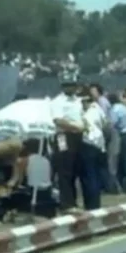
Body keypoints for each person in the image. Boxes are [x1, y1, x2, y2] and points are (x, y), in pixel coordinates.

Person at [50, 74, 85, 213]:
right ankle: (66, 204)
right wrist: (74, 127)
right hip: (64, 136)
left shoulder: (77, 101)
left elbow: (80, 116)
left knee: (74, 168)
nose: (70, 88)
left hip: (78, 136)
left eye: (72, 85)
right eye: (67, 85)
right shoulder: (58, 102)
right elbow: (58, 120)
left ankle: (73, 201)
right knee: (64, 168)